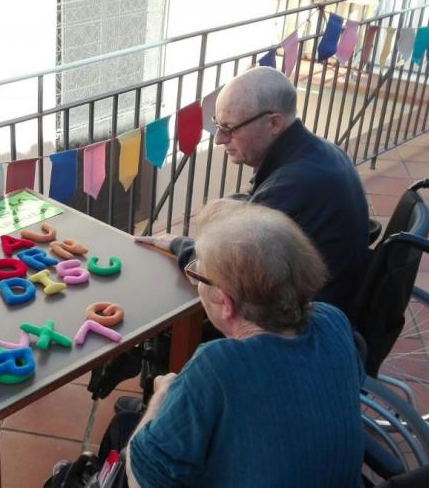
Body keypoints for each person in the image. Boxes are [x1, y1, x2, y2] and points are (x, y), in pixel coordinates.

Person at [105, 200, 365, 487]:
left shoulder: (217, 366)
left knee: (124, 431)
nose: (197, 283)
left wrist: (161, 397)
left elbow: (141, 479)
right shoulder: (333, 322)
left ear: (225, 303)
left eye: (198, 275)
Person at [140, 66, 369, 317]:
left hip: (305, 324)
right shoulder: (318, 152)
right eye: (217, 125)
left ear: (274, 123)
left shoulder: (291, 186)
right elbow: (254, 203)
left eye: (229, 128)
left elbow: (223, 267)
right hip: (333, 300)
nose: (218, 139)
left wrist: (175, 244)